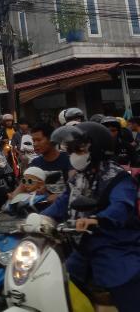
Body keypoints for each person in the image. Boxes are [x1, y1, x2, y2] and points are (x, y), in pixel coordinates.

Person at [42, 122, 140, 312]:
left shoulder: (118, 178)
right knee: (63, 281)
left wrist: (97, 219)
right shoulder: (79, 177)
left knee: (125, 288)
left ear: (96, 148)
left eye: (78, 150)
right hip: (83, 249)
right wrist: (38, 219)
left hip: (115, 248)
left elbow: (121, 206)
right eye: (70, 150)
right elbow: (63, 203)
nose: (72, 155)